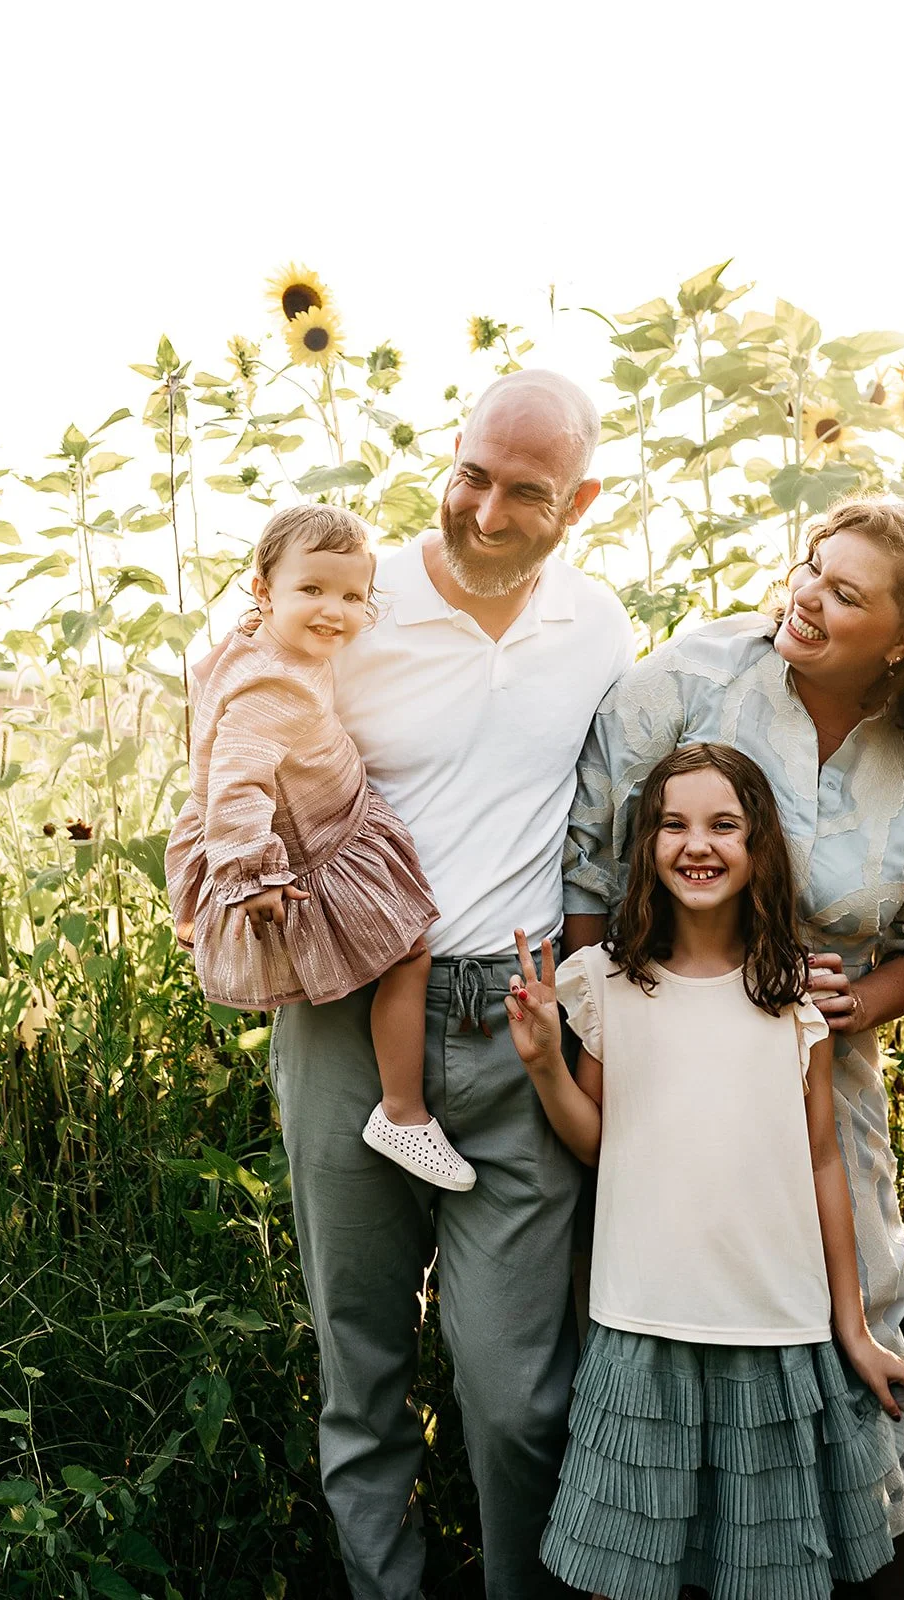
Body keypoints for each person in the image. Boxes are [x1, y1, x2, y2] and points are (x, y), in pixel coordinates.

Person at [563, 496, 904, 1596]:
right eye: (810, 567)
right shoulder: (686, 682)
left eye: (844, 592)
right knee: (676, 1352)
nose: (806, 594)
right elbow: (588, 873)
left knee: (854, 1345)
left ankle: (853, 1570)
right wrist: (602, 1034)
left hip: (818, 1085)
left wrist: (856, 1005)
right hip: (664, 1079)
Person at [268, 370, 636, 1599]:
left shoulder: (597, 628)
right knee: (359, 1360)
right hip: (344, 1013)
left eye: (521, 492)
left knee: (517, 1389)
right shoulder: (348, 609)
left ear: (577, 502)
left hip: (518, 1026)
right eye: (467, 472)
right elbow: (236, 732)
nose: (479, 511)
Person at [506, 742, 904, 1600]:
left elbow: (822, 1161)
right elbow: (598, 1143)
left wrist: (853, 1331)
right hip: (645, 1325)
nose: (695, 844)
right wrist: (548, 1061)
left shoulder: (789, 995)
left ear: (757, 846)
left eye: (722, 825)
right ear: (647, 846)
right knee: (630, 1575)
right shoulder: (607, 983)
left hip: (778, 1330)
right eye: (672, 824)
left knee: (765, 1573)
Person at [164, 504, 474, 1191]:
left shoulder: (259, 646)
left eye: (352, 595)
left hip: (324, 820)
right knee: (410, 951)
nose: (333, 610)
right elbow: (238, 780)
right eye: (312, 590)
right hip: (311, 847)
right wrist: (250, 872)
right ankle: (403, 1110)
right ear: (262, 590)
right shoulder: (275, 685)